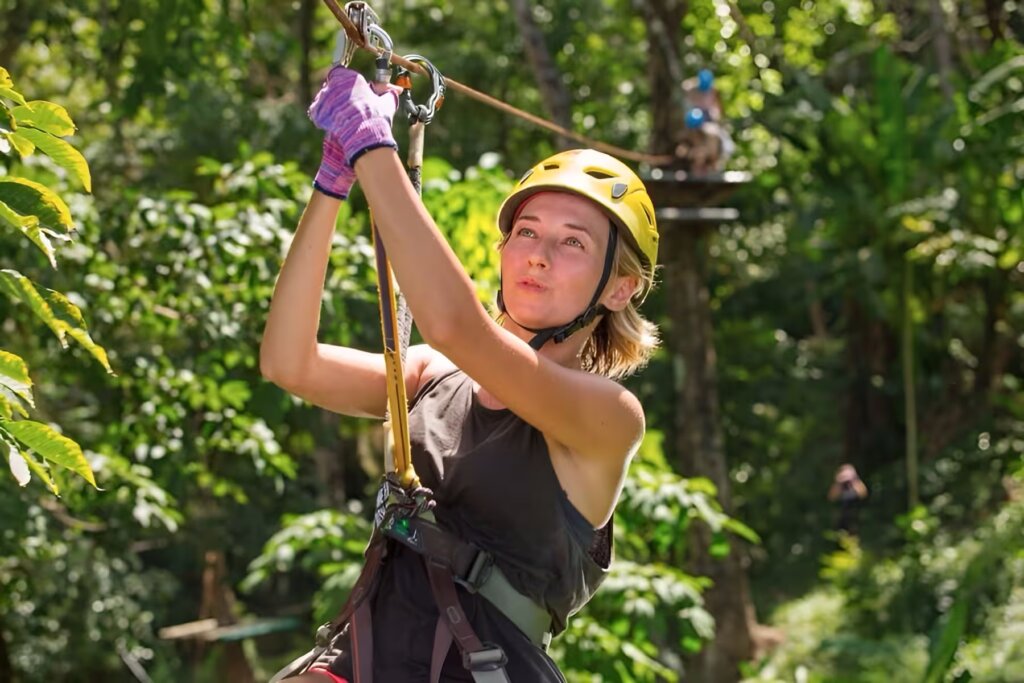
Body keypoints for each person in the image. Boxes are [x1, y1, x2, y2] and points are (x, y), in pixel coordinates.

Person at [260, 64, 661, 682]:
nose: (538, 254)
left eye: (572, 242)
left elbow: (456, 326)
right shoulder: (431, 375)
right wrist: (333, 182)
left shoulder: (607, 417)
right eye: (526, 232)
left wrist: (373, 147)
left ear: (620, 287)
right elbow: (290, 362)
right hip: (366, 658)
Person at [828, 463, 868, 535]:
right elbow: (831, 497)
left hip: (854, 518)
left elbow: (863, 494)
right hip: (840, 518)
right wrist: (839, 481)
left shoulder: (856, 484)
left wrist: (854, 479)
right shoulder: (839, 486)